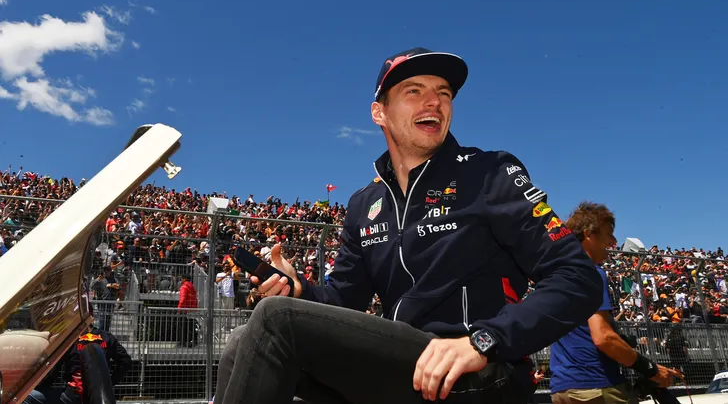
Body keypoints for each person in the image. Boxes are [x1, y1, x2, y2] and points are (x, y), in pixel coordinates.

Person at [213, 47, 604, 404]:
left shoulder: (490, 173)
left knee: (275, 320)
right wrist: (298, 288)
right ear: (379, 113)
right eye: (413, 91)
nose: (434, 101)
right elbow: (342, 302)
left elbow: (578, 277)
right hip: (406, 367)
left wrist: (484, 340)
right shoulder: (364, 204)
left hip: (478, 370)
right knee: (244, 338)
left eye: (444, 92)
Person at [549, 201, 683, 404]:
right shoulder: (592, 273)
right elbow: (603, 337)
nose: (614, 241)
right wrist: (651, 370)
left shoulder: (556, 273)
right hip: (597, 386)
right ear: (588, 234)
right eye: (609, 233)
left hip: (562, 388)